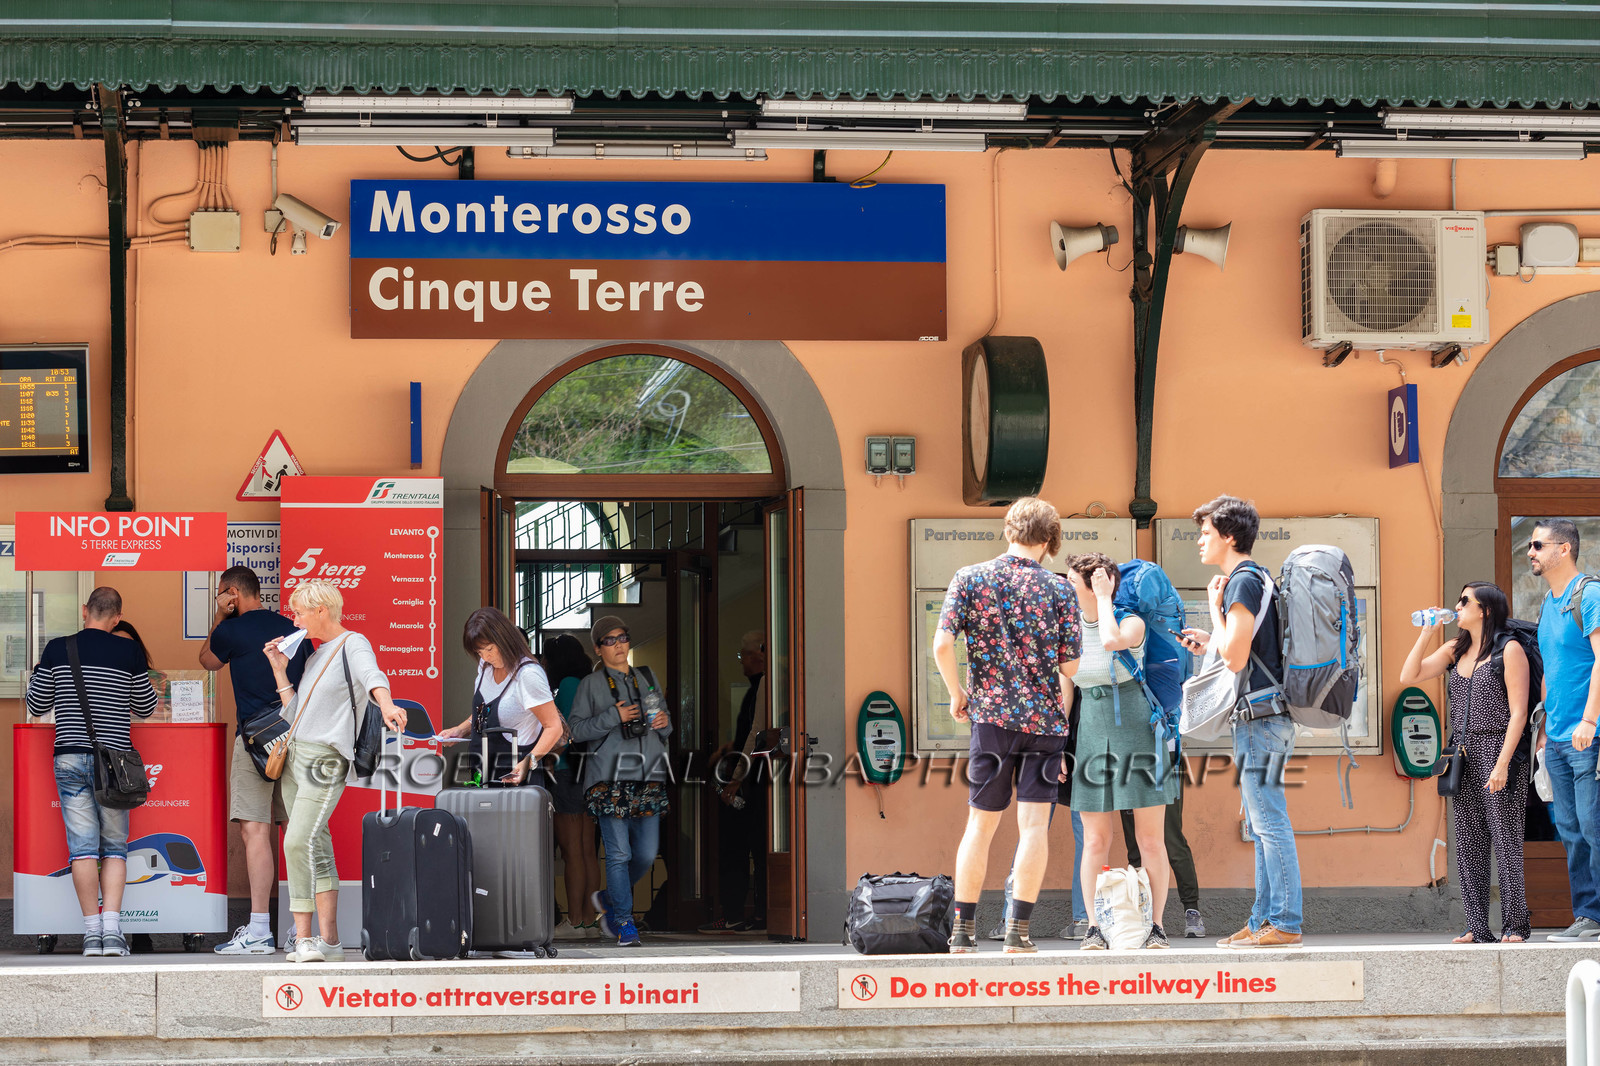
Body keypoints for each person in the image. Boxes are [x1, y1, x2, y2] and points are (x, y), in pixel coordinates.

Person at [934, 496, 1082, 954]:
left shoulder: (971, 578)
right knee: (1034, 828)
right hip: (1044, 720)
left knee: (980, 826)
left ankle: (963, 930)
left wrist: (959, 694)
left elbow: (941, 645)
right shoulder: (1060, 590)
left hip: (991, 719)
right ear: (1050, 541)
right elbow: (1071, 666)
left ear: (1008, 531)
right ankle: (1018, 932)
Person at [1178, 495, 1304, 949]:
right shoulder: (1255, 578)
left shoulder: (1241, 582)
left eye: (1206, 533)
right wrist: (1213, 638)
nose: (1199, 541)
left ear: (1229, 537)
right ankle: (1261, 920)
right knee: (1262, 820)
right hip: (1265, 716)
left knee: (1269, 821)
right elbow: (1243, 648)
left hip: (1261, 719)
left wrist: (1214, 608)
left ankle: (1285, 921)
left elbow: (1234, 659)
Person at [263, 580, 406, 963]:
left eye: (300, 612)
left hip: (325, 759)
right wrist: (280, 671)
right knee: (317, 846)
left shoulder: (353, 643)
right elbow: (296, 714)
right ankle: (330, 942)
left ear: (321, 610)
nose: (295, 619)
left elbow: (373, 676)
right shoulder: (314, 656)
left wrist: (388, 705)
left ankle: (304, 940)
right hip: (296, 756)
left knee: (296, 842)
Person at [24, 586, 157, 957]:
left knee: (82, 850)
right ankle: (113, 933)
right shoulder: (128, 650)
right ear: (117, 617)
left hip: (68, 757)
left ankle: (91, 934)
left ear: (85, 611)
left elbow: (36, 703)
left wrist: (43, 673)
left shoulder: (56, 649)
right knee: (114, 847)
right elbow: (146, 707)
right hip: (113, 763)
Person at [1399, 582, 1531, 943]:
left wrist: (1502, 764)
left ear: (1485, 610)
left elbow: (1518, 714)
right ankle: (1477, 926)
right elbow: (1408, 676)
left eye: (1464, 601)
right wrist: (1427, 633)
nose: (1457, 607)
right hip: (1463, 752)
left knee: (1505, 840)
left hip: (1499, 750)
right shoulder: (1455, 650)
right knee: (1469, 842)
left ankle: (1515, 925)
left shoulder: (1510, 650)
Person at [1064, 552, 1177, 950]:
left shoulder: (1131, 621)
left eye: (1073, 583)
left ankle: (1157, 925)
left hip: (1136, 726)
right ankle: (1094, 926)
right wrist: (1062, 746)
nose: (1067, 589)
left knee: (1149, 839)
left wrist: (1105, 599)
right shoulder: (1068, 627)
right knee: (1095, 838)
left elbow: (1111, 641)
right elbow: (1066, 685)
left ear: (1100, 585)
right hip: (1091, 729)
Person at [199, 565, 310, 955]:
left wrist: (220, 615)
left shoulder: (230, 630)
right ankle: (302, 930)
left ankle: (260, 929)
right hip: (296, 734)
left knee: (255, 831)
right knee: (296, 831)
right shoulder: (294, 630)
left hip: (253, 741)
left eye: (221, 593)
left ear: (231, 593)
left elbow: (207, 660)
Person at [569, 615, 673, 947]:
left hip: (649, 775)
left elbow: (667, 726)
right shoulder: (590, 684)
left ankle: (610, 899)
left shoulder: (647, 676)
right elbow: (576, 730)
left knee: (645, 853)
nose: (619, 645)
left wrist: (663, 721)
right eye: (610, 640)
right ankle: (624, 922)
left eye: (623, 638)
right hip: (608, 779)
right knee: (618, 854)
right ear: (598, 649)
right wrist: (614, 716)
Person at [1528, 519, 1600, 941]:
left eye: (1538, 544)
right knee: (1570, 830)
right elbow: (1551, 671)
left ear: (1564, 549)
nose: (1531, 552)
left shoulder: (1589, 595)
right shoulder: (1549, 604)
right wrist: (1543, 727)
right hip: (1556, 738)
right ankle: (1588, 917)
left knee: (1593, 827)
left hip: (1588, 735)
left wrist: (1590, 719)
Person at [438, 607, 563, 787]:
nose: (486, 657)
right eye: (480, 652)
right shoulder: (485, 666)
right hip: (482, 773)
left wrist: (528, 763)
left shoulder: (528, 675)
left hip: (515, 777)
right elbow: (484, 712)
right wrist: (460, 729)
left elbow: (554, 727)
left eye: (489, 649)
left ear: (504, 638)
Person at [701, 630, 770, 934]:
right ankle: (759, 916)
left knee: (737, 848)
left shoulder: (767, 683)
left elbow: (757, 733)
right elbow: (751, 732)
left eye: (743, 654)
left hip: (754, 778)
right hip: (758, 774)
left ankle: (735, 916)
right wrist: (729, 746)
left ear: (759, 655)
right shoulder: (764, 684)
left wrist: (735, 779)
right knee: (755, 847)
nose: (742, 660)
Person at [541, 633, 606, 939]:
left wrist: (543, 757)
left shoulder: (567, 685)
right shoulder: (591, 683)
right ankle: (591, 920)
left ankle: (576, 921)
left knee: (572, 852)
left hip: (569, 772)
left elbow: (564, 734)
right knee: (589, 851)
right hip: (593, 772)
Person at [1122, 783, 1205, 938]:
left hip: (1164, 770)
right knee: (1135, 848)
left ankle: (1192, 910)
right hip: (1127, 774)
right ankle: (1141, 916)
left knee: (1172, 841)